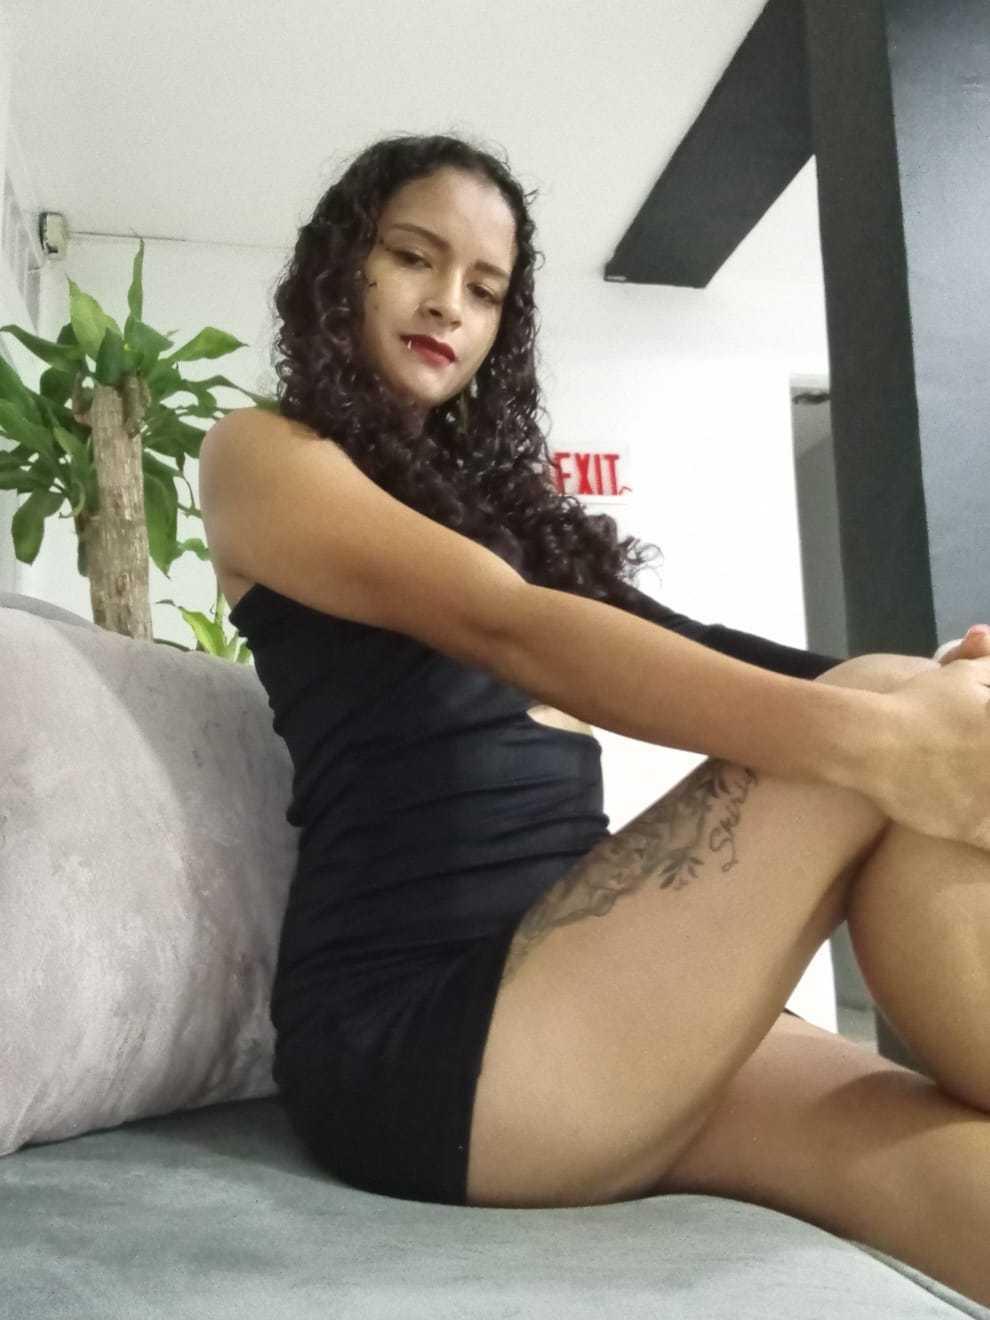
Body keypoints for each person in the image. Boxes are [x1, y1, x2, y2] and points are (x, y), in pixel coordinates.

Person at [199, 134, 990, 1308]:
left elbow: (694, 644)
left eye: (485, 289)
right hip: (425, 1039)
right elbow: (510, 625)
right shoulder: (262, 455)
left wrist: (936, 688)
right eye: (413, 257)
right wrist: (890, 729)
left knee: (954, 1164)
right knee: (884, 718)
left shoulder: (497, 510)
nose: (448, 303)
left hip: (590, 984)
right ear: (340, 268)